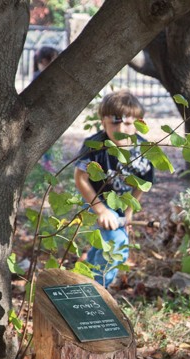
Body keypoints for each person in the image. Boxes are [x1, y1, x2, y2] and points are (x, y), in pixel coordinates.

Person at [74, 91, 154, 288]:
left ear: (138, 123)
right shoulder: (95, 146)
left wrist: (128, 213)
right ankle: (100, 289)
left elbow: (142, 183)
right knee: (117, 245)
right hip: (95, 199)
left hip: (121, 202)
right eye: (114, 123)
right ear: (103, 123)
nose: (121, 129)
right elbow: (80, 178)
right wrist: (100, 210)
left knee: (104, 243)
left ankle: (85, 284)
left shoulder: (143, 150)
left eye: (127, 124)